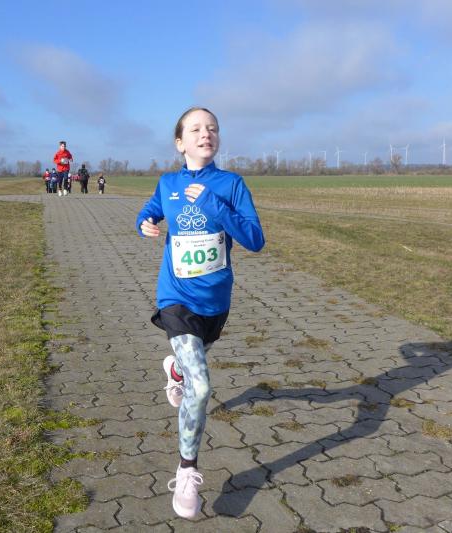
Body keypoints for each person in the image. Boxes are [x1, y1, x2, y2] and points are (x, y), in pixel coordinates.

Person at [135, 107, 265, 519]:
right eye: (195, 129)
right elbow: (149, 211)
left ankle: (175, 369)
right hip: (175, 296)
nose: (205, 134)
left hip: (215, 302)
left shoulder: (231, 184)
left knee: (192, 364)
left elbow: (255, 239)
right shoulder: (168, 183)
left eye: (212, 128)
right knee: (202, 386)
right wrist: (144, 223)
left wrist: (215, 205)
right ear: (180, 143)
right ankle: (187, 471)